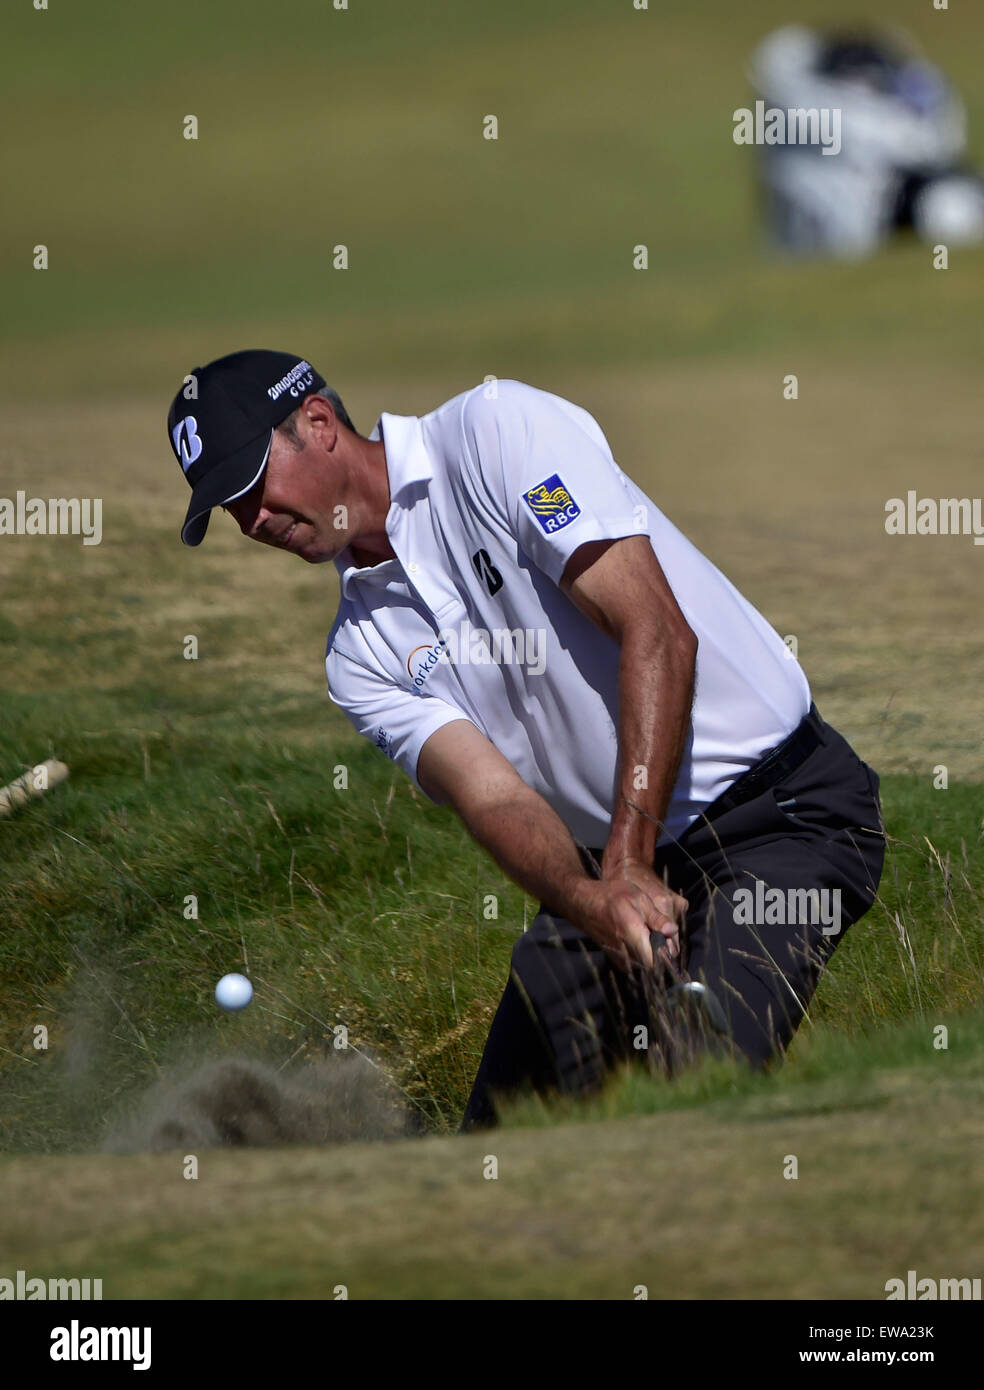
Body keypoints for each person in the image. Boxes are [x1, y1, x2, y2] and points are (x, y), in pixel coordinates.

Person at [167, 349, 886, 1130]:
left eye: (250, 485)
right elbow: (492, 795)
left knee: (692, 1092)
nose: (252, 521)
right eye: (229, 511)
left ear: (317, 423)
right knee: (498, 1145)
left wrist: (629, 860)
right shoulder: (358, 656)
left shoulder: (493, 433)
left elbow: (658, 632)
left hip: (780, 818)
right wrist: (594, 898)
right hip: (612, 871)